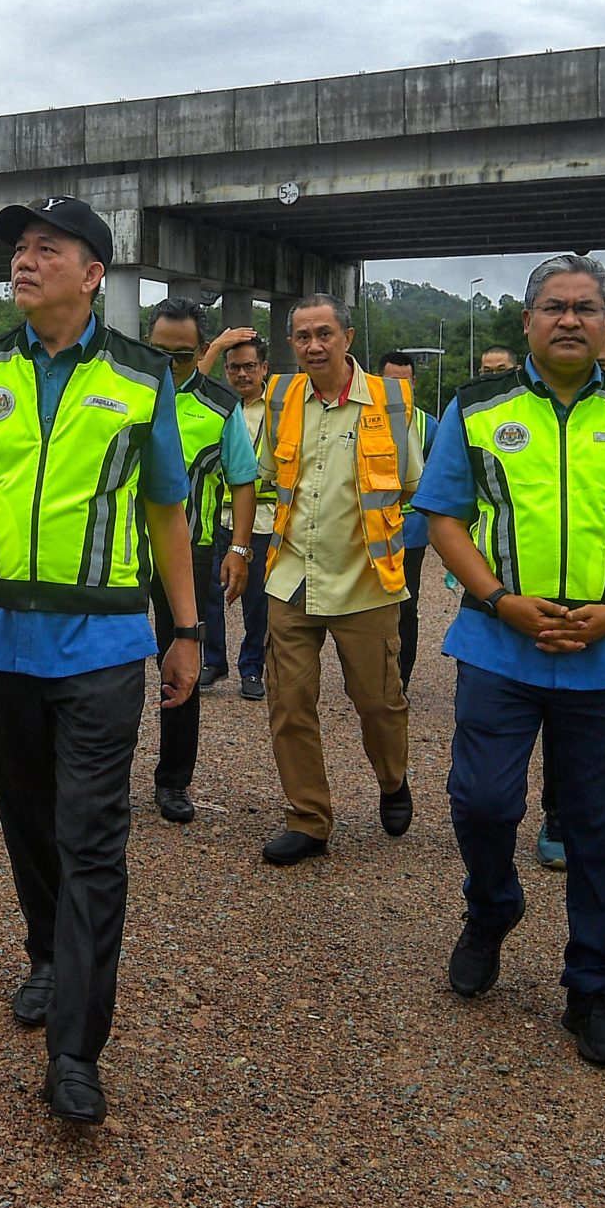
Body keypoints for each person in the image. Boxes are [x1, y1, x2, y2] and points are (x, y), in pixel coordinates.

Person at [0, 195, 201, 1126]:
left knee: (93, 836)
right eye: (20, 250)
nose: (25, 262)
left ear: (94, 272)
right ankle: (45, 950)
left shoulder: (143, 379)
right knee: (26, 820)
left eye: (47, 248)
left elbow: (165, 511)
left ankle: (77, 1050)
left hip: (106, 644)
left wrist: (185, 629)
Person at [418, 254, 605, 1072]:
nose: (569, 319)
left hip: (603, 655)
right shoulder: (474, 409)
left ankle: (591, 987)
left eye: (584, 307)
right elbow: (443, 516)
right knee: (479, 802)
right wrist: (500, 599)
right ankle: (492, 905)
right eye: (553, 307)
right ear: (528, 322)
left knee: (595, 828)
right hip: (500, 640)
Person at [259, 303, 420, 865]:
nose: (313, 345)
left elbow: (407, 483)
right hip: (290, 578)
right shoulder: (281, 398)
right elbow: (268, 478)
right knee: (290, 702)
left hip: (366, 581)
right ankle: (309, 819)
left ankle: (392, 779)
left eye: (324, 333)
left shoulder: (391, 400)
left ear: (347, 337)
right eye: (301, 336)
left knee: (378, 701)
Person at [143, 297, 256, 821]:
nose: (168, 366)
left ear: (200, 352)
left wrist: (238, 548)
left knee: (181, 663)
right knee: (109, 667)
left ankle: (173, 781)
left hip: (188, 553)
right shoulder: (124, 390)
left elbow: (242, 478)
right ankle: (96, 773)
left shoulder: (220, 406)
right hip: (115, 553)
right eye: (159, 352)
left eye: (182, 356)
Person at [377, 351, 437, 687]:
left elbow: (440, 478)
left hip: (409, 531)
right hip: (366, 524)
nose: (397, 387)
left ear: (413, 382)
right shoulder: (363, 415)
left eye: (404, 381)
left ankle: (401, 680)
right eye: (390, 381)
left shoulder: (429, 425)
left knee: (405, 603)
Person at [223, 334, 275, 700]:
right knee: (208, 597)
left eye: (249, 367)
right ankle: (210, 661)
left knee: (257, 602)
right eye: (234, 367)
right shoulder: (219, 407)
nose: (242, 374)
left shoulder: (281, 409)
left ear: (264, 369)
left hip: (265, 519)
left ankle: (252, 667)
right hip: (216, 518)